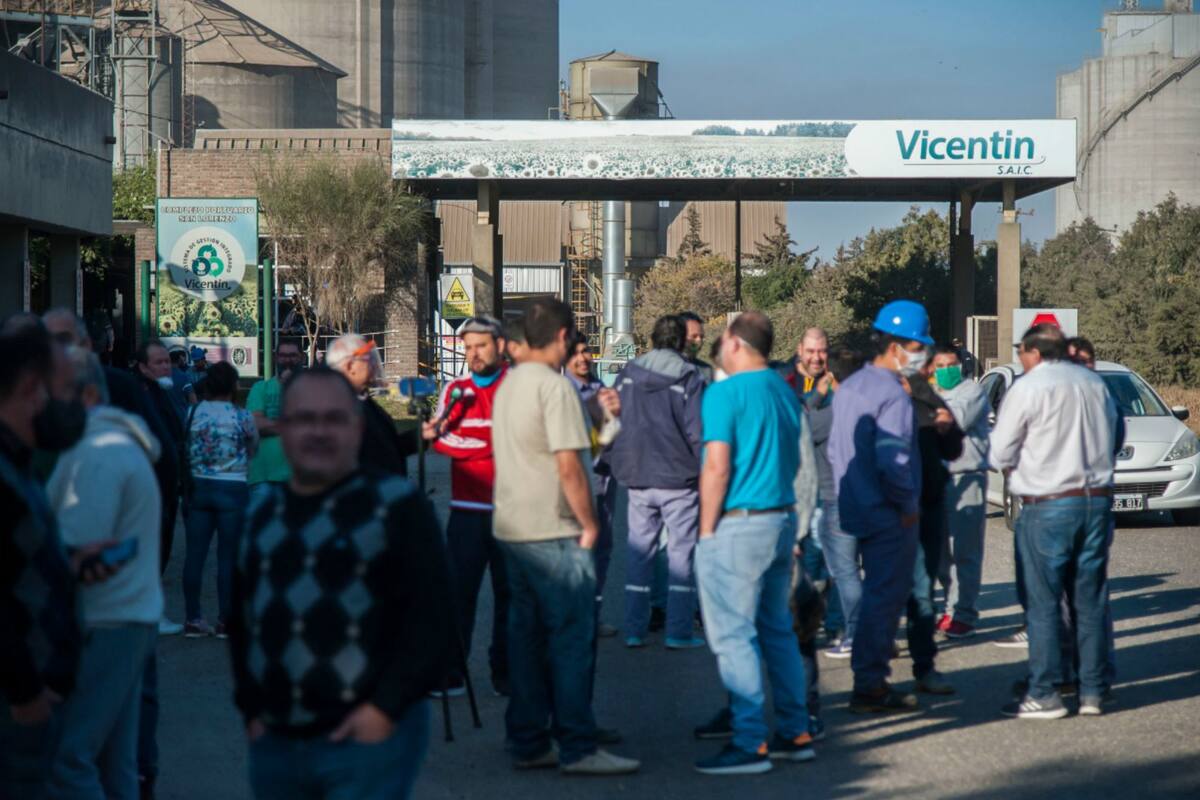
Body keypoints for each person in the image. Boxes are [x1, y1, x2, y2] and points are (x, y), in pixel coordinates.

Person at [230, 367, 454, 800]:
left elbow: (434, 617)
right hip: (276, 741)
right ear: (284, 428)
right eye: (303, 419)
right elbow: (242, 618)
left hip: (368, 740)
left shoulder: (397, 507)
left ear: (356, 426)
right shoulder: (260, 513)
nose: (318, 431)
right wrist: (251, 709)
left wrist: (385, 709)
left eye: (334, 418)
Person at [491, 298, 640, 776]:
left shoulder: (510, 385)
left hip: (513, 531)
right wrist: (591, 523)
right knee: (573, 642)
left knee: (527, 642)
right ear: (561, 337)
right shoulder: (554, 391)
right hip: (556, 530)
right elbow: (570, 466)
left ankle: (529, 740)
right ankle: (578, 744)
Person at [693, 311, 814, 775]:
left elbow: (716, 466)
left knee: (733, 636)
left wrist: (705, 532)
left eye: (723, 339)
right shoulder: (785, 392)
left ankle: (749, 742)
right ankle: (795, 731)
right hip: (780, 520)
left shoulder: (723, 394)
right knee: (776, 632)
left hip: (739, 524)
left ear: (736, 343)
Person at [47, 347, 163, 799]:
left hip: (105, 621)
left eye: (50, 391)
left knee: (69, 760)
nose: (39, 401)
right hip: (125, 618)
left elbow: (80, 556)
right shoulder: (109, 446)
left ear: (88, 394)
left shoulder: (96, 454)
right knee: (116, 765)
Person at [992, 324, 1118, 720]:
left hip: (1048, 504)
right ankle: (1093, 690)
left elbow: (999, 452)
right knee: (1089, 600)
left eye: (1020, 352)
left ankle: (1045, 691)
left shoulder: (1029, 387)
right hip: (1096, 502)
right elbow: (1114, 435)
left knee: (1044, 603)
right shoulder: (1095, 384)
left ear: (1033, 352)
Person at [0, 320, 90, 800]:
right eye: (68, 389)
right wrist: (25, 693)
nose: (77, 403)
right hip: (18, 720)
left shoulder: (20, 463)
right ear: (33, 390)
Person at [828, 300, 930, 713]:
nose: (921, 353)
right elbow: (894, 460)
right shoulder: (893, 394)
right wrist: (907, 504)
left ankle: (868, 680)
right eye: (918, 345)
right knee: (883, 600)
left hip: (853, 504)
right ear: (898, 345)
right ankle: (870, 685)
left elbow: (838, 451)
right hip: (889, 513)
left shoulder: (850, 386)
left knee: (871, 594)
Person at [422, 316, 511, 698]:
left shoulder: (518, 386)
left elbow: (520, 440)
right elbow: (439, 440)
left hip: (512, 513)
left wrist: (471, 439)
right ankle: (451, 672)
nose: (473, 354)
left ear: (501, 346)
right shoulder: (456, 390)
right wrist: (488, 442)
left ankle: (506, 672)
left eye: (481, 346)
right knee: (458, 595)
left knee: (511, 596)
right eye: (467, 347)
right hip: (466, 511)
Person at [608, 315, 705, 650]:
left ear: (652, 339)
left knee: (640, 553)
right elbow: (696, 431)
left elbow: (613, 420)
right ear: (681, 341)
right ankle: (678, 632)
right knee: (681, 556)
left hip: (637, 476)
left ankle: (634, 629)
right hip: (678, 479)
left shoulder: (628, 374)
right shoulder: (689, 376)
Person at [901, 345, 963, 696]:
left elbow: (954, 448)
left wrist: (943, 425)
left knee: (923, 590)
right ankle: (873, 673)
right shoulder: (882, 399)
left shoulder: (931, 402)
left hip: (930, 504)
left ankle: (924, 666)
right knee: (891, 588)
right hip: (895, 507)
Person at [779, 328, 846, 651]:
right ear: (799, 349)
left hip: (830, 488)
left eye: (822, 351)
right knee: (800, 565)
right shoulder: (784, 380)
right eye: (811, 350)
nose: (817, 357)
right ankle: (800, 623)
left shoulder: (839, 385)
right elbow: (792, 426)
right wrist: (816, 398)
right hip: (792, 489)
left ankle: (833, 626)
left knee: (831, 564)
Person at [181, 361, 259, 638]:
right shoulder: (242, 416)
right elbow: (253, 447)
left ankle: (192, 618)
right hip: (233, 487)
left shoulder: (193, 413)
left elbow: (184, 444)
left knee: (195, 556)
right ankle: (225, 619)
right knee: (228, 557)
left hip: (199, 487)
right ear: (234, 386)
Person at [563, 332, 622, 640]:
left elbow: (617, 433)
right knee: (576, 553)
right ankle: (572, 617)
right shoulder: (561, 393)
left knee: (603, 550)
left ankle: (593, 616)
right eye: (576, 353)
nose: (583, 358)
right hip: (574, 486)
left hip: (604, 481)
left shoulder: (603, 390)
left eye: (587, 351)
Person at [932, 346, 992, 639]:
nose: (945, 369)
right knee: (942, 553)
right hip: (938, 479)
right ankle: (950, 607)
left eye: (950, 363)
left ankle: (964, 613)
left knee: (965, 551)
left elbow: (951, 421)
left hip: (967, 477)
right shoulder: (934, 393)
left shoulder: (972, 391)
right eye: (939, 364)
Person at [326, 334, 416, 478]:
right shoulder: (335, 410)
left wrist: (421, 436)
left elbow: (386, 449)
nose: (374, 364)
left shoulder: (364, 401)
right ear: (350, 366)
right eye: (368, 359)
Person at [246, 341, 305, 506]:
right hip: (263, 476)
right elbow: (255, 424)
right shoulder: (261, 388)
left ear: (301, 358)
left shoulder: (311, 389)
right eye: (283, 356)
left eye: (292, 356)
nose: (287, 361)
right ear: (275, 358)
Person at [679, 311, 714, 384]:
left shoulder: (706, 371)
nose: (699, 340)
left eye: (701, 337)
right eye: (694, 336)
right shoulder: (659, 368)